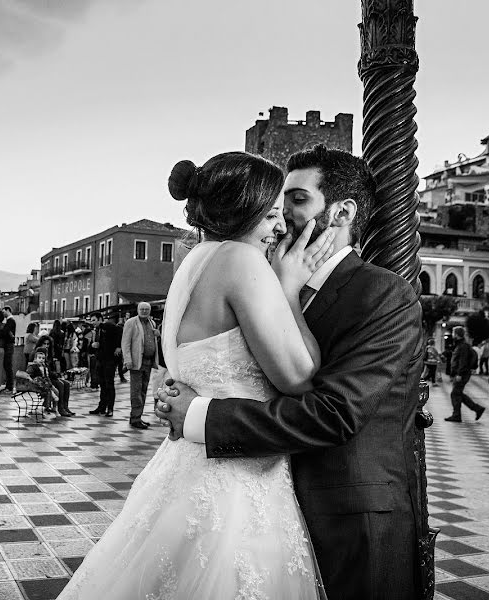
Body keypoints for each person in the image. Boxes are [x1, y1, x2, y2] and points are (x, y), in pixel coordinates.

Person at [153, 145, 427, 599]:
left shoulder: (382, 295)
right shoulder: (254, 277)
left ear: (341, 213)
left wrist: (200, 415)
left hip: (347, 520)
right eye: (275, 205)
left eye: (296, 201)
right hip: (258, 506)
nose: (279, 216)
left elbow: (334, 412)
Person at [60, 151, 335, 599]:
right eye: (269, 215)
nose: (280, 228)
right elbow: (300, 378)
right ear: (244, 212)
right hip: (236, 480)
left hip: (192, 464)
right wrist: (286, 290)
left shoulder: (193, 262)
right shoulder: (242, 262)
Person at [121, 301, 159, 429]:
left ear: (149, 311)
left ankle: (138, 416)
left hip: (148, 362)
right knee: (136, 391)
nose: (144, 311)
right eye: (142, 309)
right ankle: (135, 418)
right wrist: (128, 360)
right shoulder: (131, 323)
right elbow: (125, 343)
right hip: (137, 362)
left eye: (146, 309)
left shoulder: (152, 323)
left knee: (143, 390)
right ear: (137, 310)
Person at [445, 325, 485, 422]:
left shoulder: (463, 346)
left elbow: (463, 361)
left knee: (455, 394)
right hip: (461, 373)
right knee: (458, 394)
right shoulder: (460, 345)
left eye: (454, 333)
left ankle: (457, 415)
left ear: (457, 334)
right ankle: (477, 409)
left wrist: (459, 374)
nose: (452, 335)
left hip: (462, 374)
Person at [88, 313, 122, 417]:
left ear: (100, 319)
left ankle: (110, 408)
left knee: (109, 384)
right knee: (102, 384)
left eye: (94, 320)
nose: (92, 322)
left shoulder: (108, 326)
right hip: (100, 359)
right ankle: (102, 407)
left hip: (109, 360)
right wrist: (94, 346)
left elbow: (120, 331)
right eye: (91, 320)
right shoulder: (97, 330)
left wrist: (118, 347)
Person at [25, 348, 59, 413]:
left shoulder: (45, 366)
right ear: (35, 359)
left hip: (47, 383)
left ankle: (54, 407)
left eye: (43, 358)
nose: (41, 360)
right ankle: (47, 406)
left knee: (56, 391)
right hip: (38, 383)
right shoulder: (33, 366)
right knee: (48, 391)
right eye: (39, 358)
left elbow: (48, 375)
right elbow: (30, 375)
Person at [2, 306, 16, 392]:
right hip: (10, 345)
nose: (3, 314)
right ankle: (9, 385)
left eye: (4, 312)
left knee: (7, 365)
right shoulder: (11, 321)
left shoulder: (10, 321)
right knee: (7, 365)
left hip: (9, 345)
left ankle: (9, 386)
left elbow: (5, 332)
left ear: (8, 311)